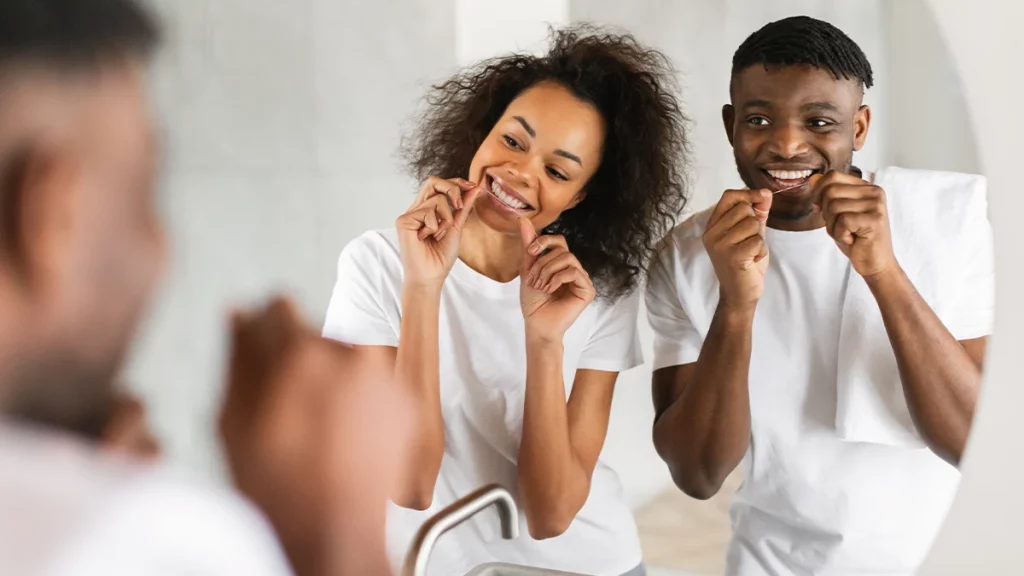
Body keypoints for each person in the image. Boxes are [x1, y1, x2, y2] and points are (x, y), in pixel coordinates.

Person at [0, 1, 407, 575]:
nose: (161, 250)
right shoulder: (144, 540)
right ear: (54, 215)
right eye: (143, 192)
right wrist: (333, 534)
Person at [322, 24, 689, 576]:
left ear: (580, 195)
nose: (520, 173)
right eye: (512, 140)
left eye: (557, 170)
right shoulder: (376, 266)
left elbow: (551, 514)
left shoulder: (597, 292)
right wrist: (423, 288)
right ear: (482, 130)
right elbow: (408, 482)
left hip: (582, 564)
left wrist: (545, 341)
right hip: (435, 560)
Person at [646, 15, 993, 576]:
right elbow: (699, 475)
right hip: (771, 563)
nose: (786, 144)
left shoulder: (949, 215)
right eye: (759, 119)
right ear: (731, 124)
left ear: (858, 128)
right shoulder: (687, 256)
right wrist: (735, 305)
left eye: (818, 121)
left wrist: (882, 271)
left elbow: (977, 444)